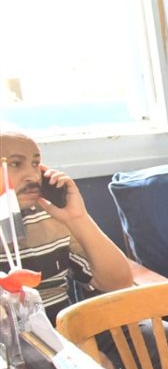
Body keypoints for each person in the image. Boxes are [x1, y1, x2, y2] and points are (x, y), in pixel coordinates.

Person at [1, 129, 133, 323]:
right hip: (9, 336)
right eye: (15, 164)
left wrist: (78, 218)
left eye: (35, 164)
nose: (32, 176)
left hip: (63, 332)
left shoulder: (49, 216)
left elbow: (118, 282)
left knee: (160, 334)